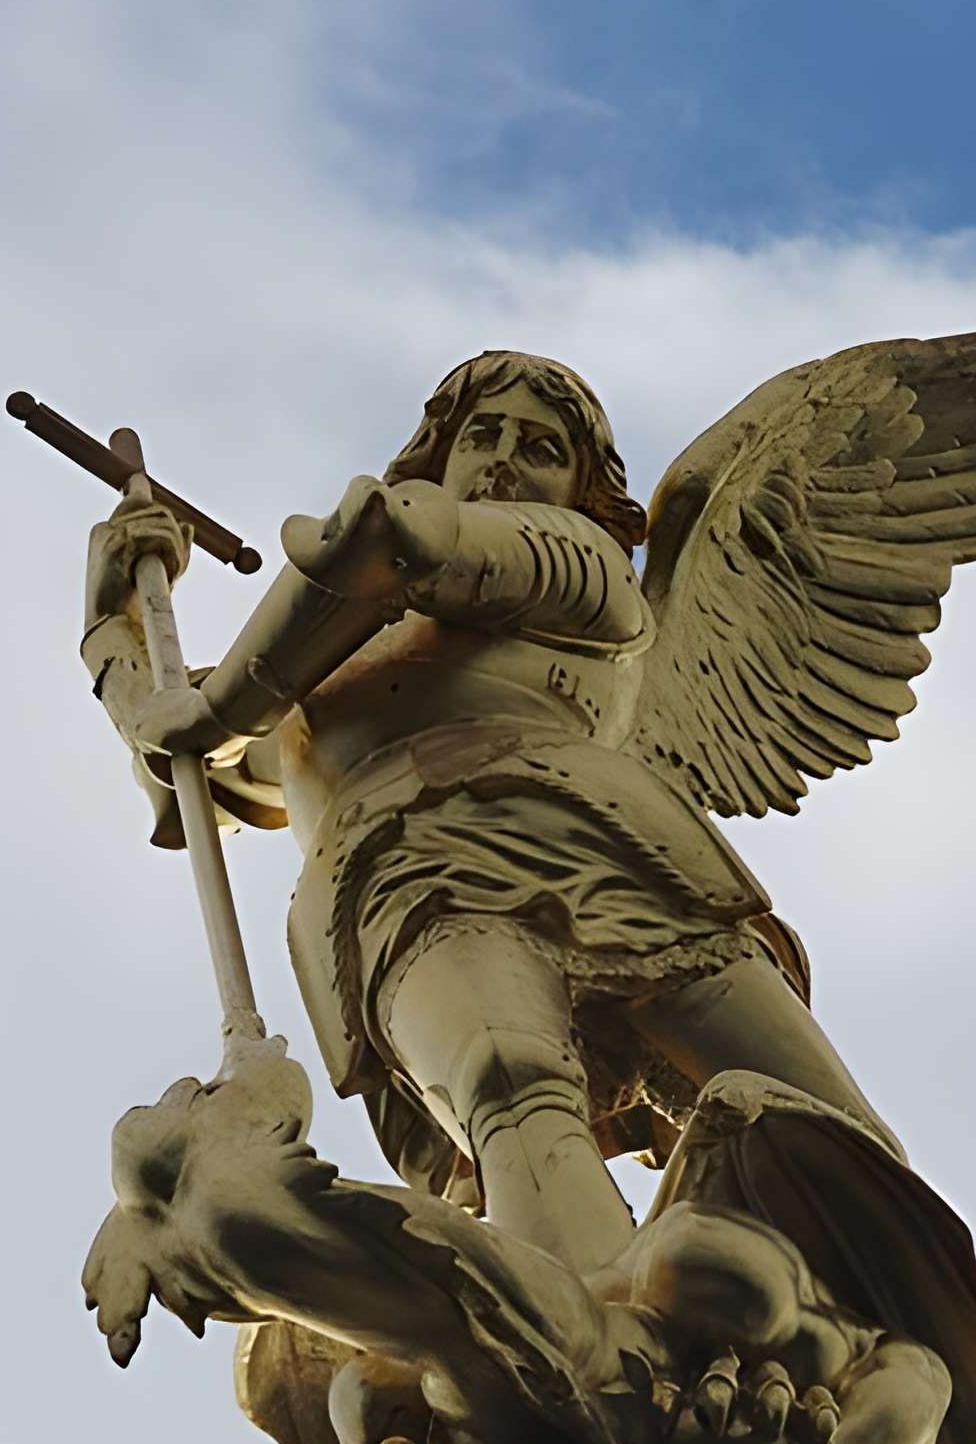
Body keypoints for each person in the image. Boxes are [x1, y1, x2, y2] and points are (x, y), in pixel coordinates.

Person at [81, 351, 900, 1273]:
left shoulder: (578, 568)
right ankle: (603, 1344)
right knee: (508, 1095)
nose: (505, 459)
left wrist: (221, 705)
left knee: (815, 1126)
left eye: (541, 447)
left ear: (578, 489)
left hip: (607, 853)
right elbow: (185, 770)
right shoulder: (313, 701)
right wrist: (110, 623)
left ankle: (895, 1333)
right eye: (482, 435)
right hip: (398, 892)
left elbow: (385, 543)